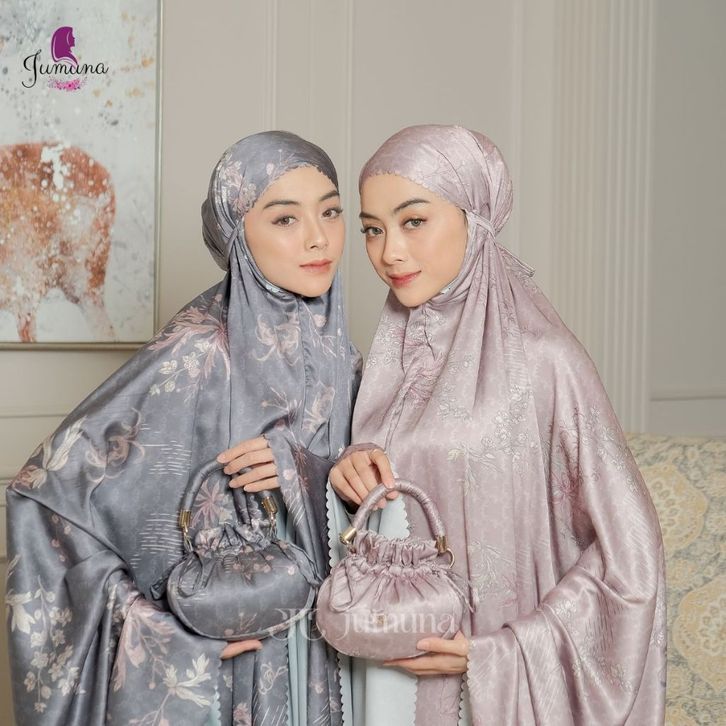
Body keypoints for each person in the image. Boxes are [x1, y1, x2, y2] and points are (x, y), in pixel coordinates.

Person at [6, 130, 361, 726]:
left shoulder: (341, 357)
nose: (318, 238)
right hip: (241, 666)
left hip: (331, 655)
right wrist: (164, 637)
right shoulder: (197, 351)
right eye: (285, 218)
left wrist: (306, 468)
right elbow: (43, 496)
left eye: (330, 211)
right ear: (236, 232)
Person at [328, 125, 666, 725]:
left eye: (413, 221)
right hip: (385, 684)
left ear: (475, 218)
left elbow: (631, 552)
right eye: (372, 229)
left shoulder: (546, 362)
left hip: (491, 688)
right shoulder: (385, 368)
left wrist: (499, 654)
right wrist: (349, 469)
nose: (389, 252)